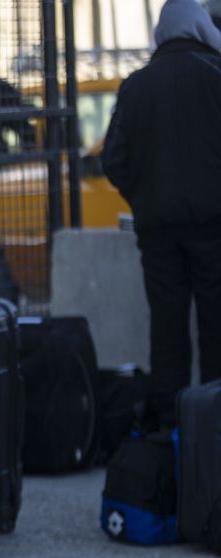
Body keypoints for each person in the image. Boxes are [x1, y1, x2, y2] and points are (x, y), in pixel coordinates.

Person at [102, 0, 221, 423]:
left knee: (167, 333)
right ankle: (211, 432)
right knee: (216, 330)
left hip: (158, 234)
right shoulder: (215, 76)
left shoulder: (137, 86)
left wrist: (145, 197)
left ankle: (167, 434)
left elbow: (113, 160)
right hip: (214, 229)